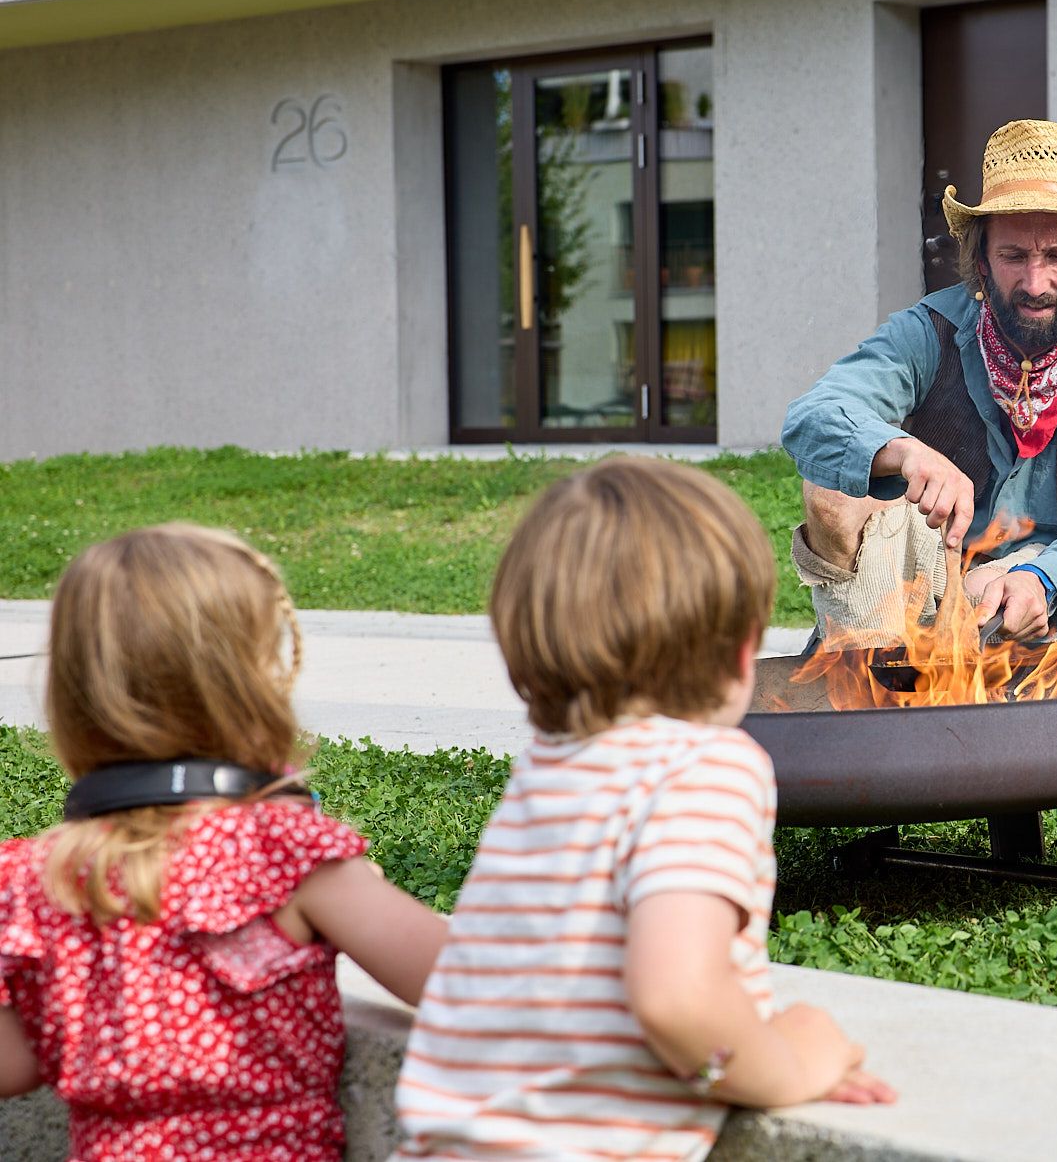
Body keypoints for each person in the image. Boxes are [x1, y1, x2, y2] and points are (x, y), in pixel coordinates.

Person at [396, 456, 893, 1161]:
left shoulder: (549, 771)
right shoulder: (704, 768)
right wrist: (784, 1061)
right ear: (740, 651)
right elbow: (677, 1002)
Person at [0, 524, 448, 1160]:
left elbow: (12, 1068)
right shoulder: (280, 853)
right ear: (251, 686)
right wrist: (356, 895)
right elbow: (457, 979)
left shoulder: (35, 877)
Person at [783, 118, 1057, 647]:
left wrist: (1039, 582)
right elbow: (812, 418)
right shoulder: (927, 331)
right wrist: (903, 453)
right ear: (983, 260)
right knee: (832, 489)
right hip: (937, 569)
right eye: (1013, 256)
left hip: (1055, 579)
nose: (1035, 284)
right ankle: (866, 681)